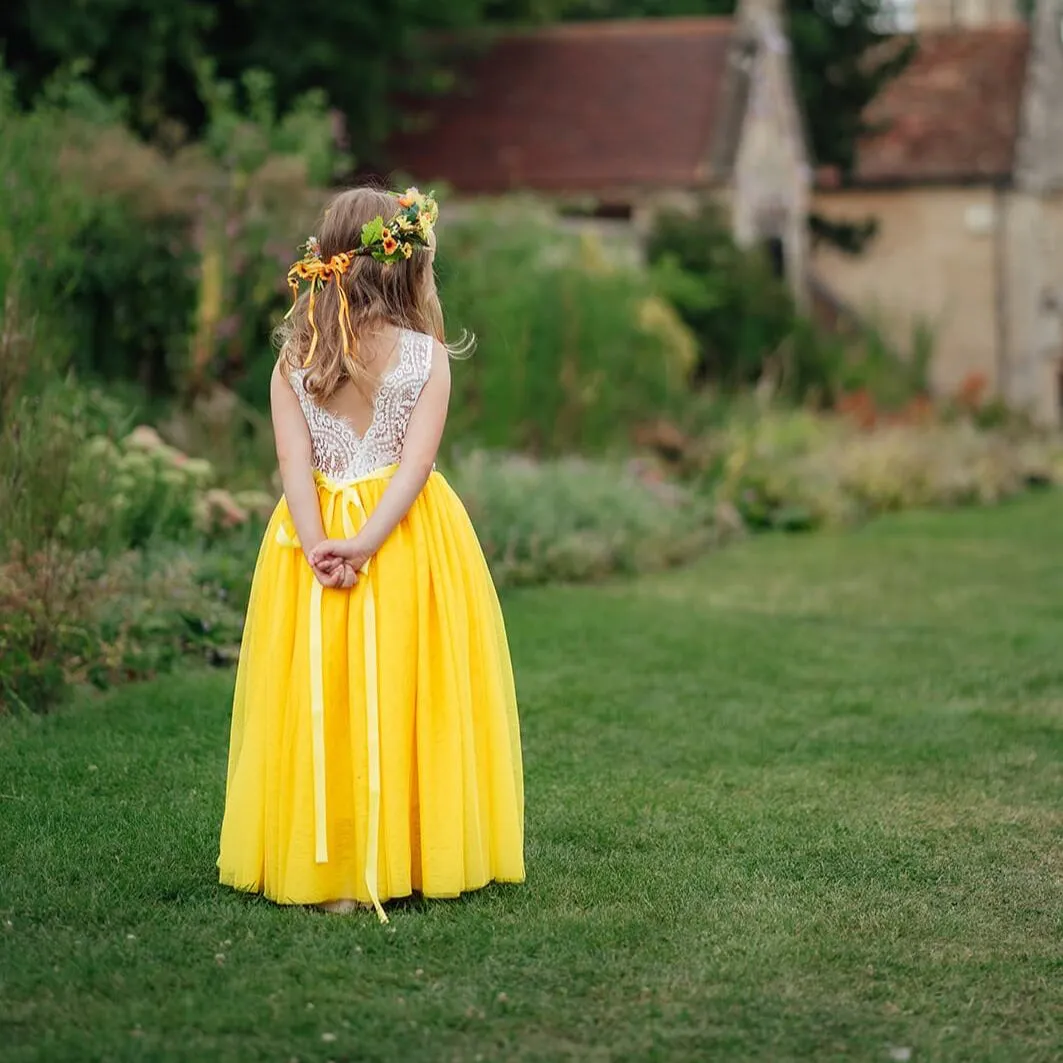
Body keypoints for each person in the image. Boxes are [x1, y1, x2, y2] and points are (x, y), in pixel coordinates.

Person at [217, 187, 525, 922]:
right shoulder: (424, 356)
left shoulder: (295, 356)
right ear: (406, 263)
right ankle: (406, 853)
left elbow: (292, 465)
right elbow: (414, 467)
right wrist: (367, 541)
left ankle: (336, 866)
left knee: (324, 692)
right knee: (407, 687)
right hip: (405, 537)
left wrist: (320, 540)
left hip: (312, 532)